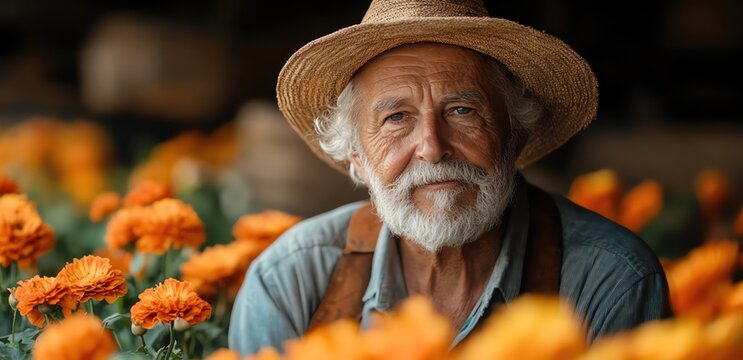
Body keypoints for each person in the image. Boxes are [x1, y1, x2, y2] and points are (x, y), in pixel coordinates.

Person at [229, 0, 671, 355]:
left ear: (515, 136)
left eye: (462, 111)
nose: (433, 146)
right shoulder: (288, 279)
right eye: (397, 118)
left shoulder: (610, 277)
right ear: (357, 158)